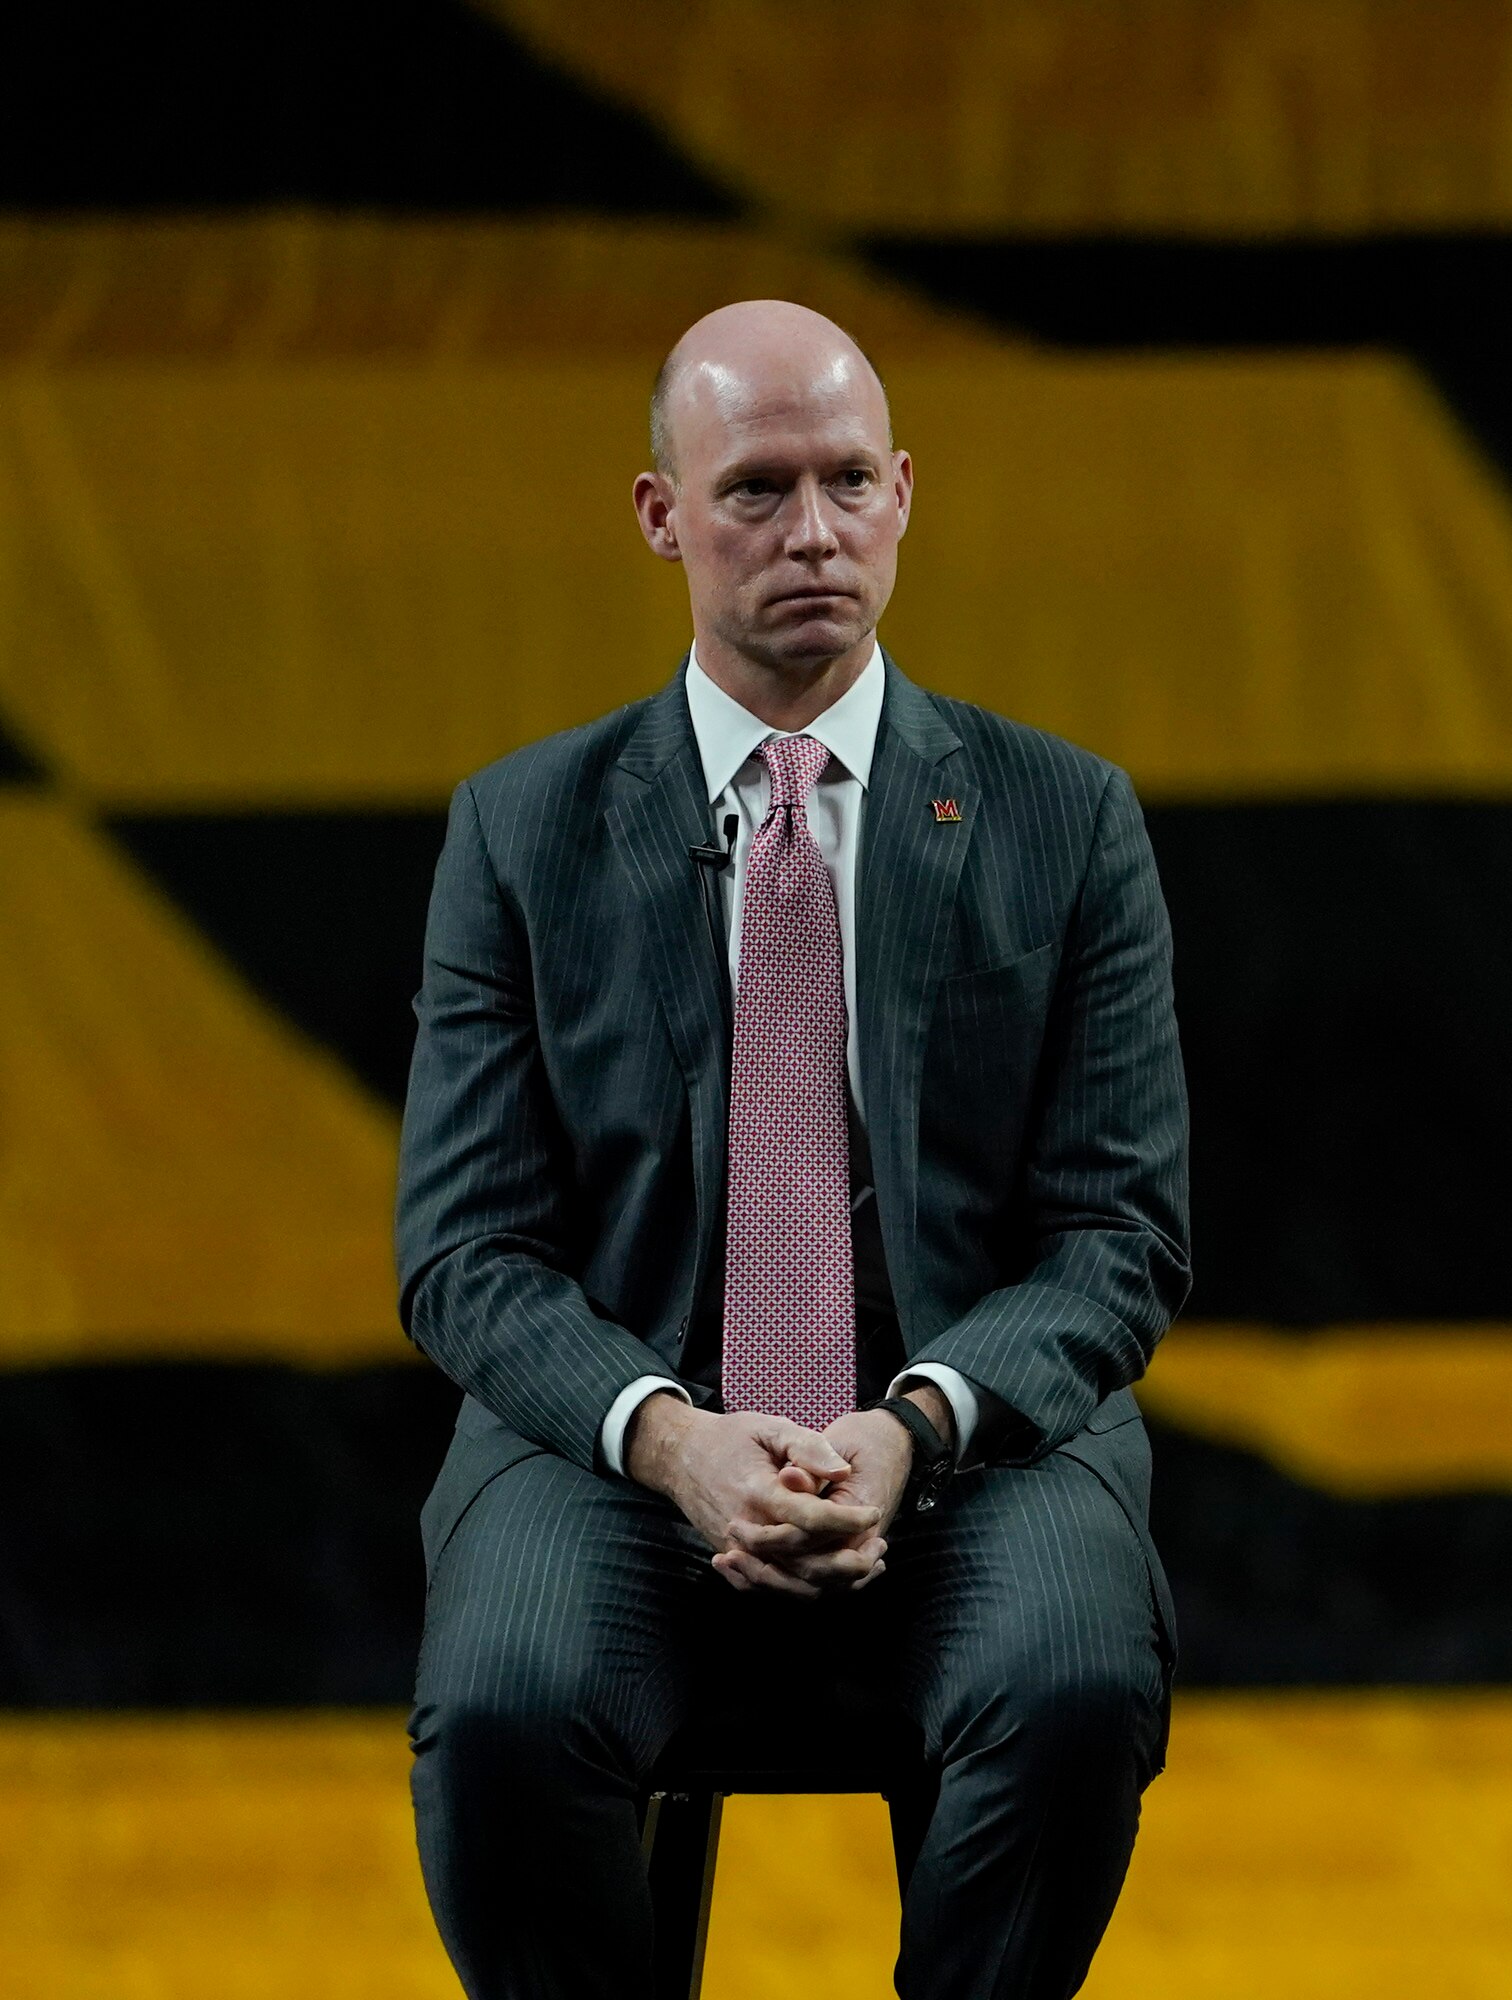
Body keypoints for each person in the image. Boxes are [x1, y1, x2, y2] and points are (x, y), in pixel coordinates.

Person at [397, 300, 1187, 1999]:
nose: (812, 533)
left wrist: (911, 1431)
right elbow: (464, 1255)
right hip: (619, 1442)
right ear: (660, 514)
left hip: (975, 1443)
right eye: (755, 489)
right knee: (505, 1713)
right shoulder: (520, 831)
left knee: (1069, 1688)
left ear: (905, 493)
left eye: (847, 482)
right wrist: (671, 1441)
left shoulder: (1069, 820)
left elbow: (1118, 1239)